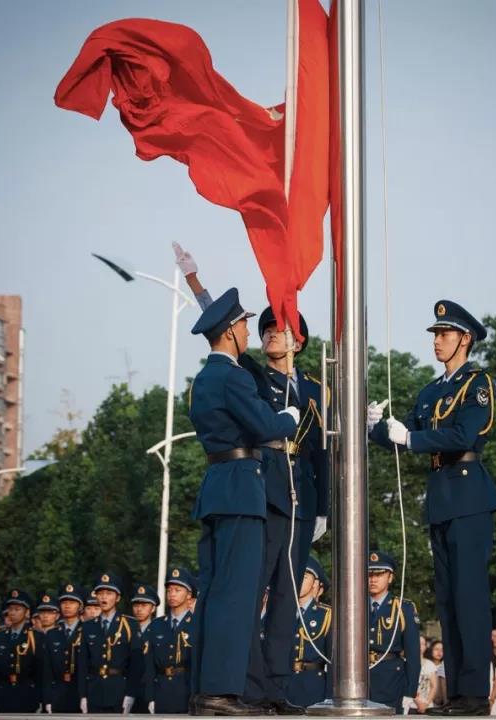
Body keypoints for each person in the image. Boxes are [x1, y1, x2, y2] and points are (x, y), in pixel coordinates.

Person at [177, 244, 328, 714]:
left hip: (292, 498)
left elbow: (319, 452)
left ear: (298, 341)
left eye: (276, 329)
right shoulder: (251, 377)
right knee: (242, 595)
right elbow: (220, 333)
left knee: (277, 598)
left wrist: (323, 506)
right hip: (260, 493)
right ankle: (238, 687)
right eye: (256, 328)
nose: (262, 334)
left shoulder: (315, 390)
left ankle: (266, 688)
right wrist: (196, 286)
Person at [369, 300, 496, 717]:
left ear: (465, 338)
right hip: (442, 498)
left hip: (468, 495)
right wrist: (374, 427)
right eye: (435, 335)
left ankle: (475, 693)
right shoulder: (431, 391)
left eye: (444, 334)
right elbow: (404, 433)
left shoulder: (477, 383)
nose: (436, 341)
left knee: (470, 598)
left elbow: (464, 435)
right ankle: (459, 693)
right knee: (448, 600)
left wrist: (411, 439)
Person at [186, 286, 301, 716]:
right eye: (244, 325)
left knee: (215, 594)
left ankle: (206, 689)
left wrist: (198, 285)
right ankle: (223, 692)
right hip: (241, 488)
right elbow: (261, 425)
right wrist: (287, 419)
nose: (248, 331)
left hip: (217, 484)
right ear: (230, 331)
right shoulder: (233, 376)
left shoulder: (204, 378)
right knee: (236, 595)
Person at [78, 572, 143, 713]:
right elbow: (82, 663)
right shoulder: (88, 626)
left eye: (109, 593)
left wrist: (130, 694)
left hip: (119, 690)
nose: (104, 597)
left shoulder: (129, 624)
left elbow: (136, 664)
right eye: (100, 593)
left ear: (117, 597)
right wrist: (83, 695)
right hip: (94, 690)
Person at [366, 550, 422, 712]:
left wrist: (410, 691)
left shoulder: (403, 608)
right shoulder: (355, 607)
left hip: (390, 680)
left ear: (390, 577)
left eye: (380, 574)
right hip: (359, 680)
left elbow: (413, 654)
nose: (373, 579)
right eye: (369, 574)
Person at [143, 566, 197, 714]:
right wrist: (150, 697)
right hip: (162, 692)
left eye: (177, 590)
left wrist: (196, 695)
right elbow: (149, 664)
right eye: (169, 590)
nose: (172, 594)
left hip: (186, 692)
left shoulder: (197, 624)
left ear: (188, 595)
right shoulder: (157, 625)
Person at [285, 557, 332, 710]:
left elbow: (333, 661)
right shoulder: (280, 613)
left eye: (304, 577)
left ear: (316, 584)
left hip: (313, 687)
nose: (298, 580)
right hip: (283, 686)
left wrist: (331, 697)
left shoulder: (326, 615)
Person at [40, 583, 85, 714]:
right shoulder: (52, 634)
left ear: (80, 606)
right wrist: (47, 699)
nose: (67, 606)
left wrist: (85, 696)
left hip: (79, 694)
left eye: (72, 602)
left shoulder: (87, 630)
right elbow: (47, 672)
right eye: (64, 602)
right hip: (57, 695)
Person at [0, 590, 40, 713]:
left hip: (27, 694)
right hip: (4, 695)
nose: (13, 613)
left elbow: (40, 670)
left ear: (27, 612)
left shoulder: (36, 637)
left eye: (17, 609)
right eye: (11, 609)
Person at [130, 582, 158, 715]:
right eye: (136, 605)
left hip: (151, 688)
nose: (139, 609)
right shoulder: (126, 630)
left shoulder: (158, 630)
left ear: (153, 608)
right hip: (128, 689)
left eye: (144, 605)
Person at [419, 638, 441, 714]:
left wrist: (426, 703)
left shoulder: (430, 664)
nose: (420, 646)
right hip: (408, 705)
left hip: (427, 706)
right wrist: (418, 701)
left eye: (423, 644)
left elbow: (434, 686)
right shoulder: (404, 662)